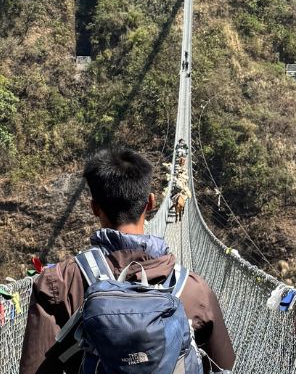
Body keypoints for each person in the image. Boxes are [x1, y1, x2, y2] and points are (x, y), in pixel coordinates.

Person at [20, 147, 235, 374]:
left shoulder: (59, 283)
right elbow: (224, 366)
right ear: (150, 203)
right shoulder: (195, 290)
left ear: (94, 208)